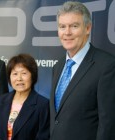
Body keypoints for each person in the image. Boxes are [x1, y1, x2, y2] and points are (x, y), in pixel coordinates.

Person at [50, 1, 115, 140]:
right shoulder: (58, 66)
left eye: (74, 26)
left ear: (87, 28)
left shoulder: (107, 66)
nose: (67, 32)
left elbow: (108, 123)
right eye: (62, 26)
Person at [0, 54, 50, 140]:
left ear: (32, 76)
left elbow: (44, 137)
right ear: (9, 77)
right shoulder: (0, 101)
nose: (19, 78)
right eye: (15, 74)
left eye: (24, 73)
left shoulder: (42, 104)